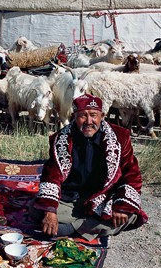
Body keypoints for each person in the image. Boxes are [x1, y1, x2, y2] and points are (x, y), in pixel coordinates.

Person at [31, 94, 147, 239]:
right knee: (37, 209)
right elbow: (51, 174)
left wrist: (122, 206)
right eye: (82, 116)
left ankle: (71, 228)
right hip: (71, 198)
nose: (89, 121)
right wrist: (50, 210)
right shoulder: (60, 139)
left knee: (128, 214)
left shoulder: (120, 137)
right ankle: (89, 228)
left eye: (93, 115)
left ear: (102, 116)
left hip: (104, 196)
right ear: (74, 116)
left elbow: (132, 173)